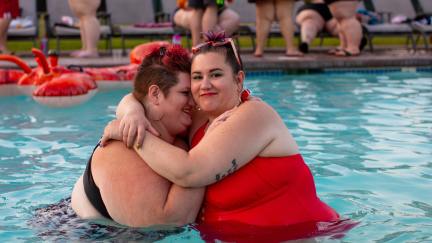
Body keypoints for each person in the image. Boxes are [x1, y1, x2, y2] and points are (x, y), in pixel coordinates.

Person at [101, 32, 340, 228]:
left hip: (310, 235)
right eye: (197, 77)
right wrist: (131, 113)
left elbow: (189, 173)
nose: (205, 85)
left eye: (215, 75)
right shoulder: (197, 116)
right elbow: (143, 99)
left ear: (238, 79)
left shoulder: (255, 115)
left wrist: (127, 133)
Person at [71, 44, 205, 227]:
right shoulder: (119, 151)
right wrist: (207, 151)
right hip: (81, 233)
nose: (194, 102)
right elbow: (168, 221)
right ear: (155, 95)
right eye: (184, 93)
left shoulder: (171, 129)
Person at [174, 0, 240, 47]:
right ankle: (205, 46)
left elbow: (223, 4)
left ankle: (208, 45)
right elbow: (184, 5)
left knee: (233, 18)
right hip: (188, 12)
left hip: (216, 13)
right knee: (207, 9)